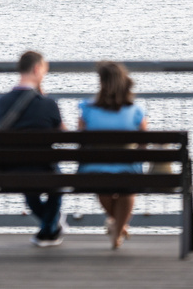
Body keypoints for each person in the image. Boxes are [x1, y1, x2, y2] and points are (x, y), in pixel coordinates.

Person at [0, 51, 66, 247]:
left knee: (27, 175)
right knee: (55, 182)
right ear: (36, 69)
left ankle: (49, 227)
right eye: (44, 70)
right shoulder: (49, 104)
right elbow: (63, 135)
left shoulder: (1, 103)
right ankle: (48, 230)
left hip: (11, 170)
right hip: (45, 169)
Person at [78, 61, 146, 249]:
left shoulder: (87, 108)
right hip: (128, 171)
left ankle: (117, 226)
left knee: (103, 185)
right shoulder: (136, 110)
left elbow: (81, 141)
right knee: (128, 188)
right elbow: (143, 143)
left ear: (101, 82)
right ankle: (119, 227)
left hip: (94, 171)